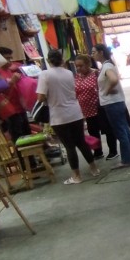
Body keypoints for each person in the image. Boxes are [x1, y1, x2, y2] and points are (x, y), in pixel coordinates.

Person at [36, 49, 100, 184]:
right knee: (81, 142)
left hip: (59, 116)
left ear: (48, 61)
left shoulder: (45, 75)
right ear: (62, 60)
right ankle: (94, 169)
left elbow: (40, 97)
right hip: (75, 112)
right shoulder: (69, 73)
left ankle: (76, 176)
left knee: (69, 146)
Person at [93, 44, 130, 168]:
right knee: (125, 129)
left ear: (101, 52)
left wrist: (106, 91)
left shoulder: (107, 65)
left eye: (94, 52)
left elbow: (113, 79)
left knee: (120, 131)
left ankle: (126, 160)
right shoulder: (107, 65)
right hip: (117, 102)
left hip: (112, 103)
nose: (93, 54)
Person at [74, 54, 117, 159]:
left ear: (88, 64)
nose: (79, 68)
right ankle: (98, 151)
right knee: (93, 132)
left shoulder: (96, 73)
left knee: (107, 129)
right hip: (86, 110)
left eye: (81, 65)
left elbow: (104, 87)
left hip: (99, 107)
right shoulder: (77, 77)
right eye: (77, 66)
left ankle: (113, 151)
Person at [0, 47, 32, 142]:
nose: (10, 61)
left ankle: (31, 157)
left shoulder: (9, 71)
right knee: (18, 138)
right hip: (10, 111)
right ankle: (24, 157)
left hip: (20, 108)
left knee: (27, 134)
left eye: (10, 58)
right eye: (7, 58)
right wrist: (11, 82)